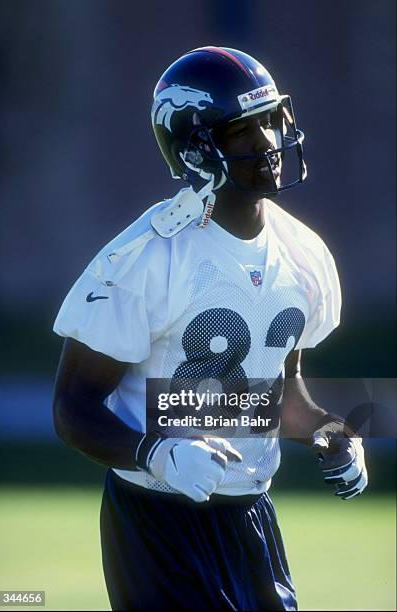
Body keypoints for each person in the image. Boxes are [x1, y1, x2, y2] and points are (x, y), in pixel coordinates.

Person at [52, 46, 368, 611]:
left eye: (271, 120)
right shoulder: (145, 260)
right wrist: (156, 453)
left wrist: (329, 432)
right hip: (157, 521)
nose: (269, 144)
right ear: (198, 148)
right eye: (245, 130)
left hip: (250, 513)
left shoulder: (303, 254)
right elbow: (73, 406)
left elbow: (272, 396)